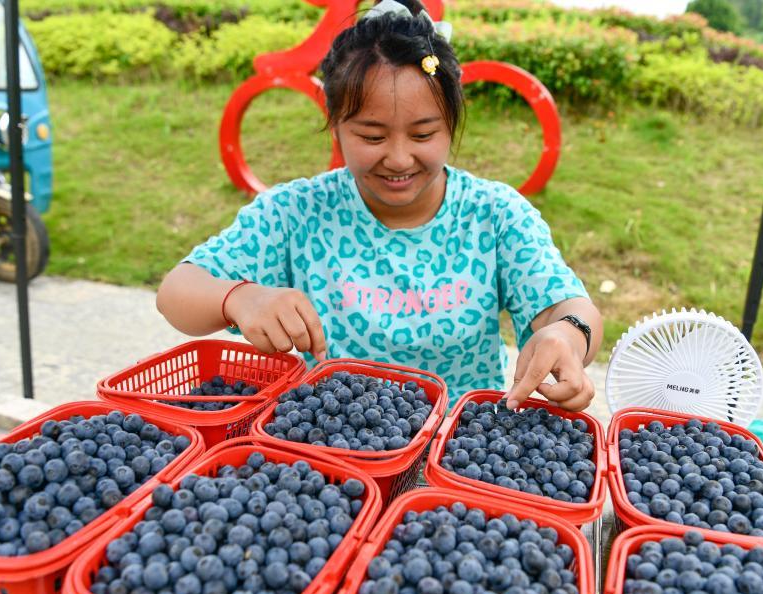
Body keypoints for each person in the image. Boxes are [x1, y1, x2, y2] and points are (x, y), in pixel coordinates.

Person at [156, 0, 602, 411]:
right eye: (372, 136)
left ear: (451, 125)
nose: (399, 158)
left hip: (454, 459)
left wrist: (567, 335)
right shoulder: (296, 213)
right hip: (327, 456)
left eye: (424, 134)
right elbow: (177, 291)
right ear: (336, 127)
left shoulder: (495, 215)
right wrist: (239, 297)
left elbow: (566, 305)